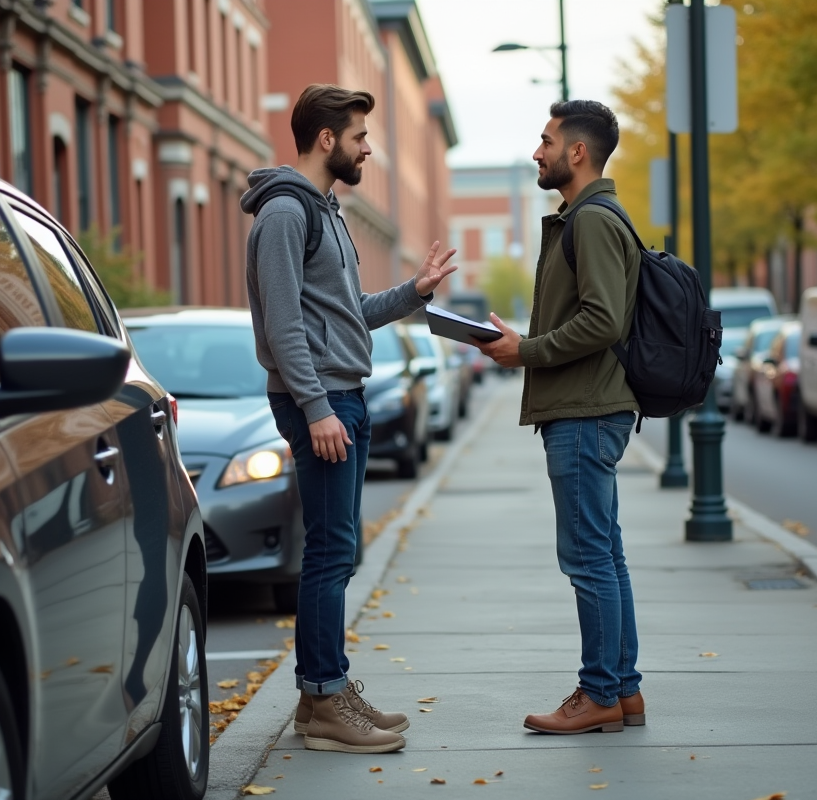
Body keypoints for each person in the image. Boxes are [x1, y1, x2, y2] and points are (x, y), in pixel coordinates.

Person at [240, 83, 457, 754]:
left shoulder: (324, 211)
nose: (369, 147)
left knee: (340, 551)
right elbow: (282, 323)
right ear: (327, 139)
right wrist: (315, 410)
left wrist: (415, 292)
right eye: (360, 137)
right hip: (323, 403)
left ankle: (319, 698)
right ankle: (327, 696)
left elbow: (347, 311)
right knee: (330, 555)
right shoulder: (284, 213)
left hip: (342, 397)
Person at [476, 100, 646, 734]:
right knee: (606, 555)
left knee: (588, 560)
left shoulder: (593, 221)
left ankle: (599, 692)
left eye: (546, 141)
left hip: (586, 411)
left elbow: (604, 320)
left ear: (578, 152)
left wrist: (526, 352)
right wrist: (518, 340)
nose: (537, 152)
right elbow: (583, 314)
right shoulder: (582, 218)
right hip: (587, 407)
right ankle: (623, 691)